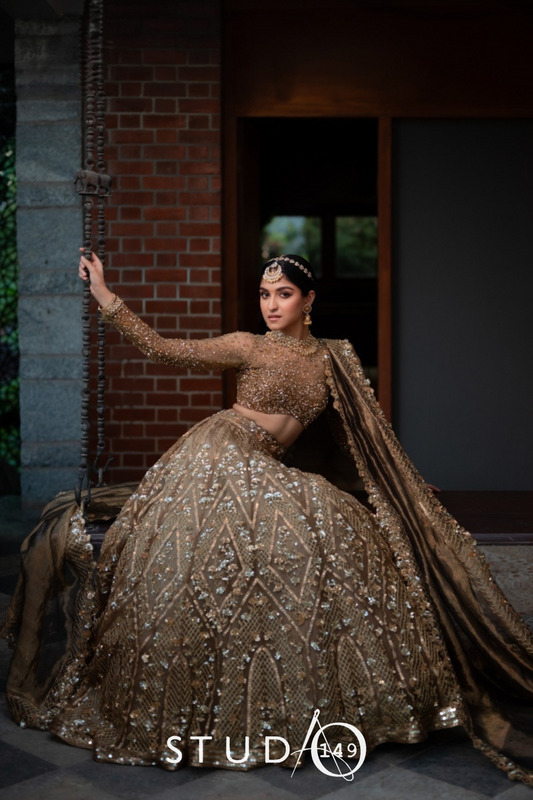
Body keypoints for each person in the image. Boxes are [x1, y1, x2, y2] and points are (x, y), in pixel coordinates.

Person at [2, 252, 533, 783]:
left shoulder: (333, 359)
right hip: (217, 454)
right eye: (264, 294)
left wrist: (404, 482)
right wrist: (104, 294)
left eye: (283, 293)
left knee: (335, 523)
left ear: (308, 300)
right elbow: (161, 348)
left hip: (264, 466)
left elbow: (364, 436)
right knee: (274, 528)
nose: (271, 304)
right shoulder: (248, 345)